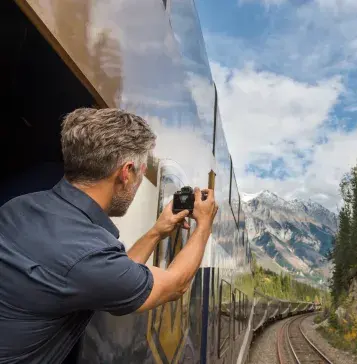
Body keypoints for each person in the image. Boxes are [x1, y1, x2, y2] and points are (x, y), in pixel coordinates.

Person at [0, 108, 218, 363]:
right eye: (140, 172)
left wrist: (156, 232)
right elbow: (175, 284)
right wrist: (204, 225)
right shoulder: (87, 255)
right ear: (126, 173)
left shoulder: (19, 206)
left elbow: (112, 272)